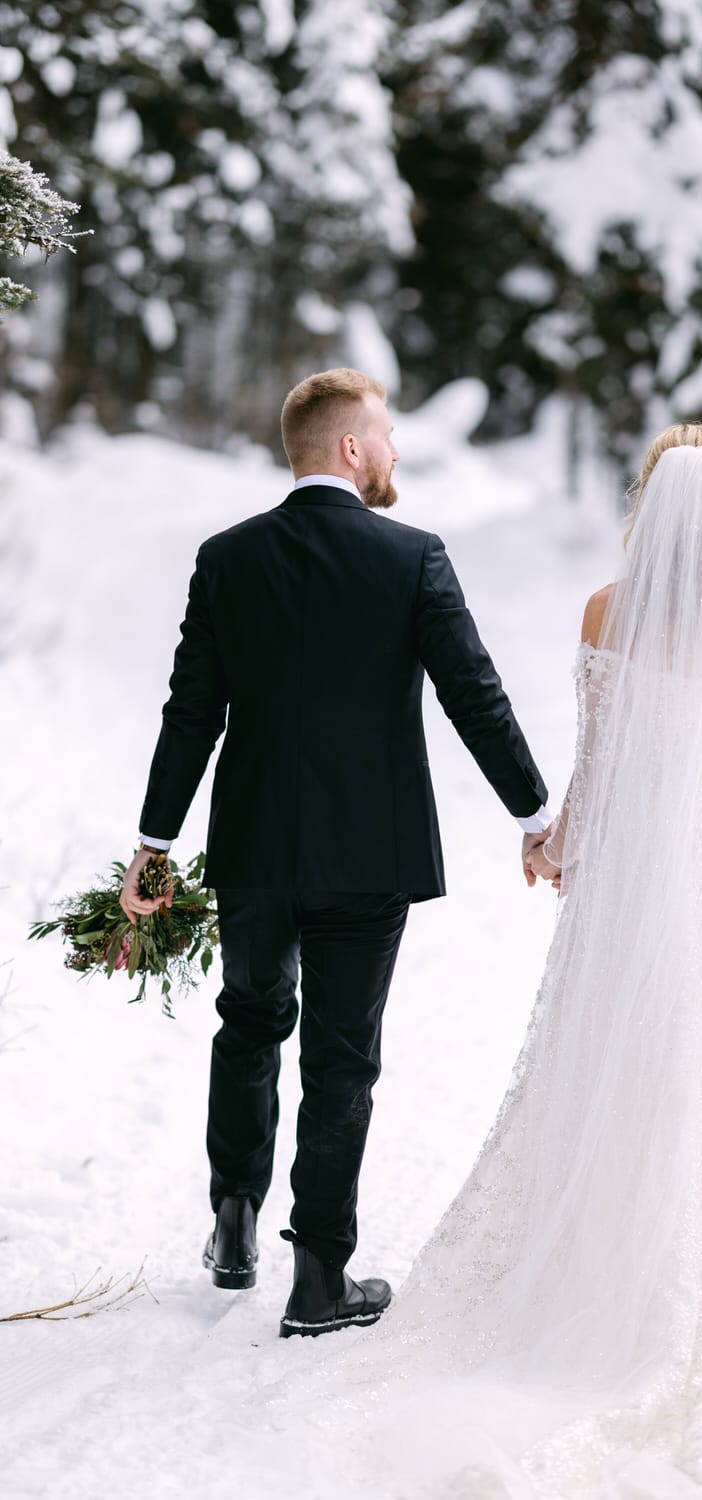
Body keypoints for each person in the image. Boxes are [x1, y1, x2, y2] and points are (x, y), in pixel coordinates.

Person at [271, 423, 702, 1498]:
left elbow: (596, 757)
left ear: (649, 504)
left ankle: (608, 1263)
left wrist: (561, 841)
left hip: (636, 857)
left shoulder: (608, 608)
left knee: (618, 1056)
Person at [118, 367, 553, 1338]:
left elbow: (192, 712)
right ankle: (318, 1281)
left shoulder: (228, 558)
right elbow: (470, 692)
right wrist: (532, 812)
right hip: (368, 852)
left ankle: (232, 1224)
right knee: (340, 1062)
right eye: (387, 434)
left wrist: (154, 842)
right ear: (350, 449)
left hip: (254, 847)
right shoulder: (410, 557)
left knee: (249, 1019)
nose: (395, 450)